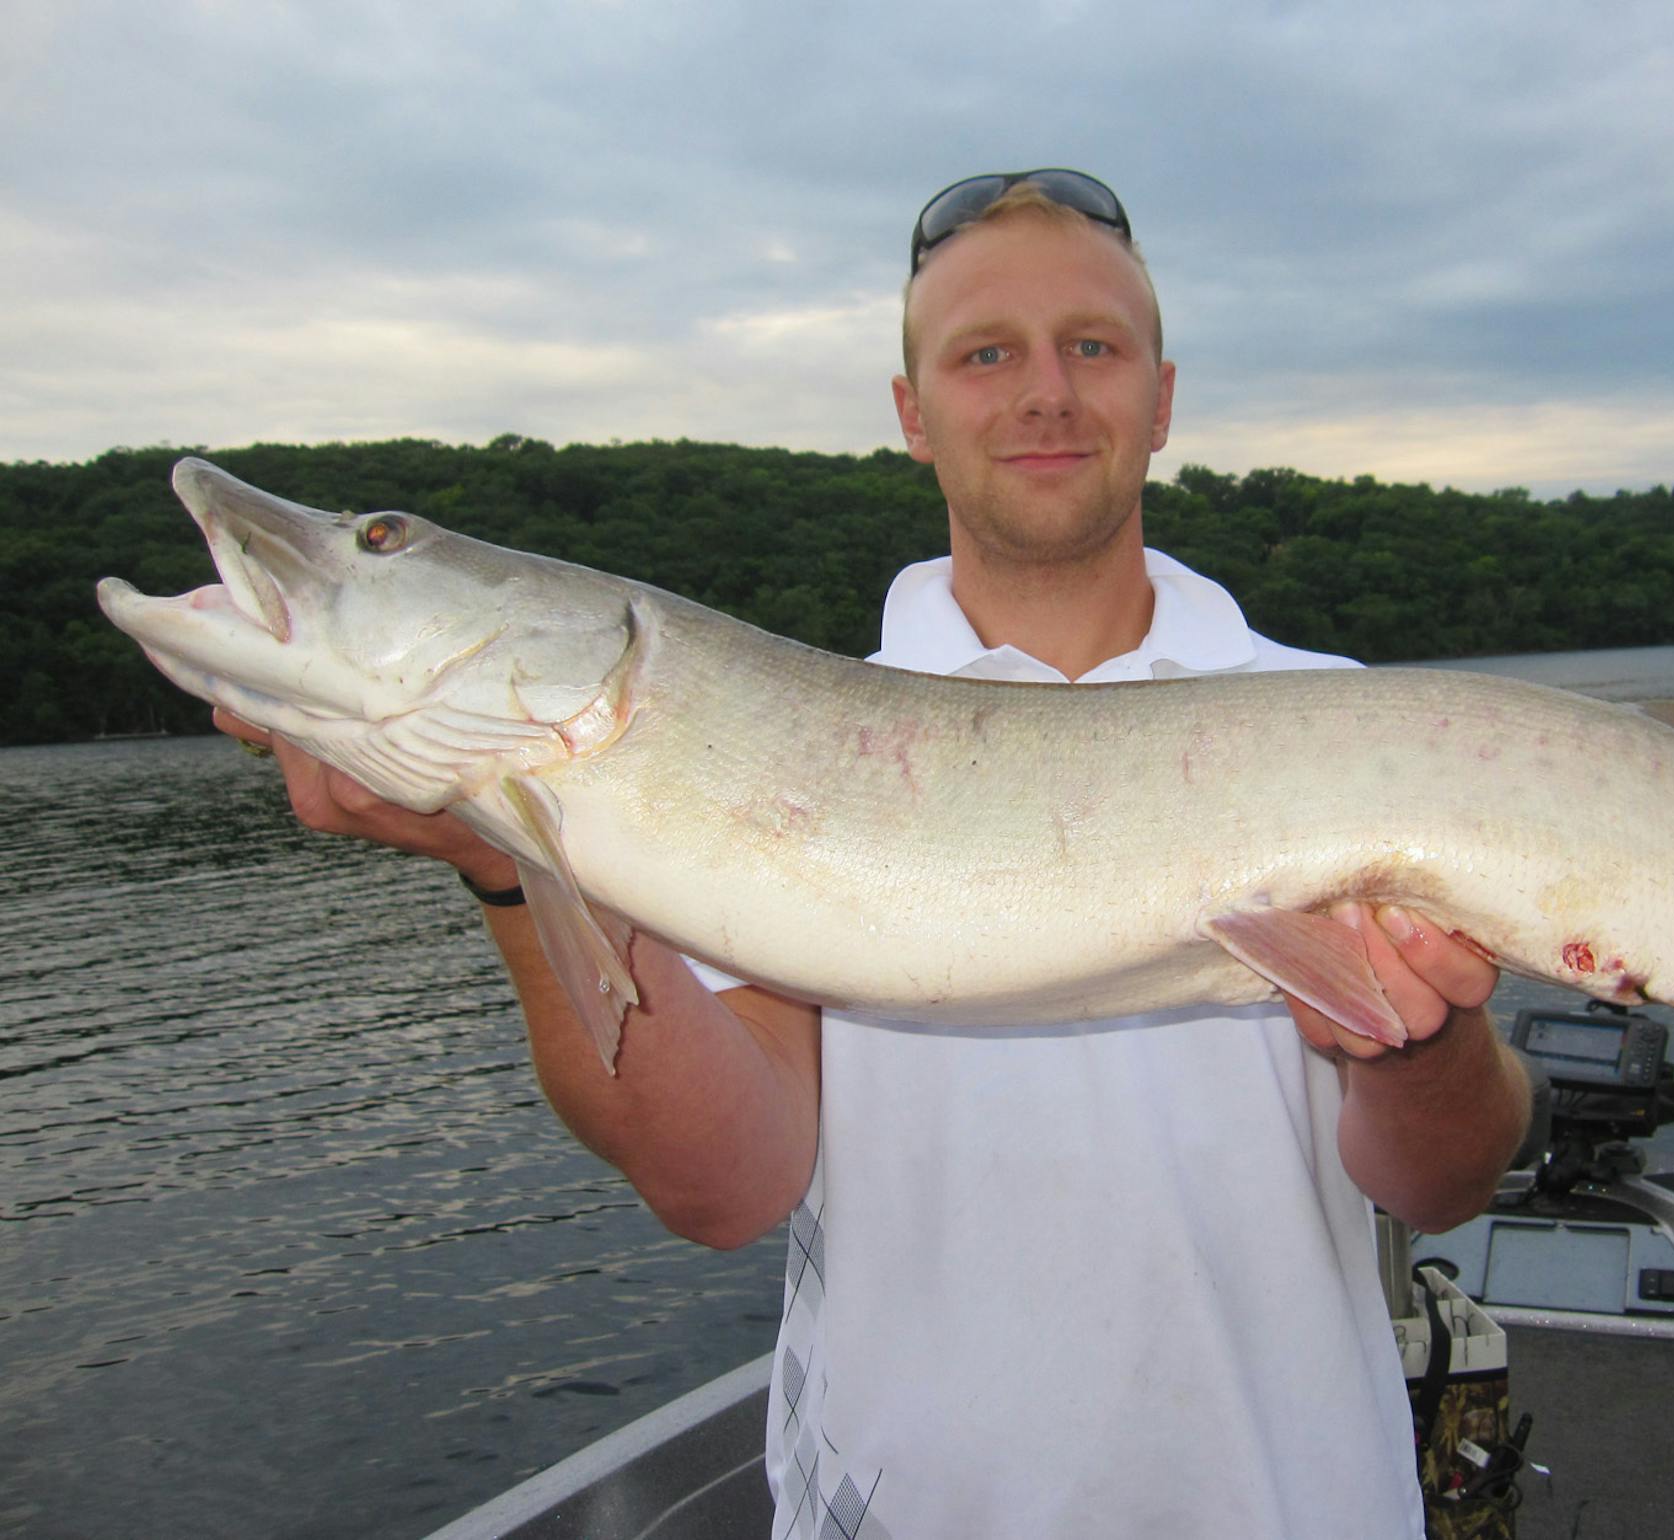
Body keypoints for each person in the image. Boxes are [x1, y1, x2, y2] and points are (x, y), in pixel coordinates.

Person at [217, 169, 1530, 1538]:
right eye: (985, 353)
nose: (1045, 391)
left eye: (1092, 345)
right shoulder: (761, 765)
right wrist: (506, 861)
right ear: (912, 412)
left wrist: (1422, 1043)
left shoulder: (1347, 720)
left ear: (1162, 396)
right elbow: (725, 1184)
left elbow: (1444, 1185)